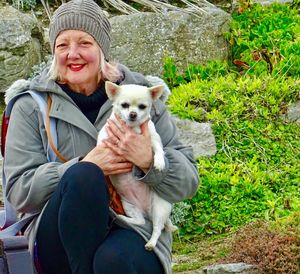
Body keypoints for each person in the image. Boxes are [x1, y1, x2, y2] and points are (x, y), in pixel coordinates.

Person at [4, 0, 199, 273]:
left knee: (113, 262)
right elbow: (18, 192)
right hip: (59, 232)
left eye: (85, 43)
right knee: (83, 175)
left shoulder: (140, 97)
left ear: (102, 49)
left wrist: (147, 161)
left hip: (133, 227)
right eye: (62, 45)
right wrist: (84, 164)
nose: (73, 54)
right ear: (53, 52)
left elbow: (188, 183)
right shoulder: (30, 105)